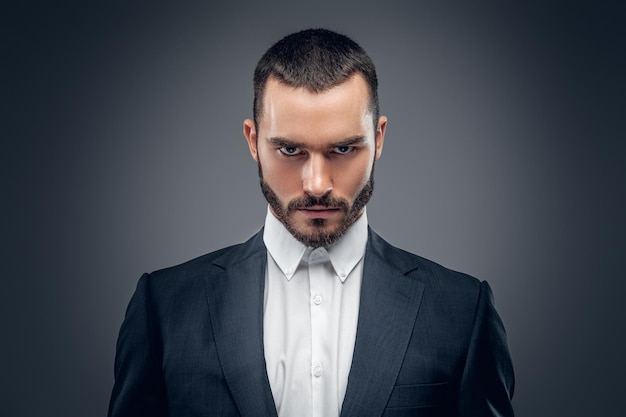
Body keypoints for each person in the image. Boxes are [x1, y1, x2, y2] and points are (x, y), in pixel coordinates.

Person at [108, 28, 515, 417]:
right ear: (253, 141)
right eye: (289, 149)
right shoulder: (162, 308)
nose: (317, 184)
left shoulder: (462, 311)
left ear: (379, 138)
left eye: (343, 148)